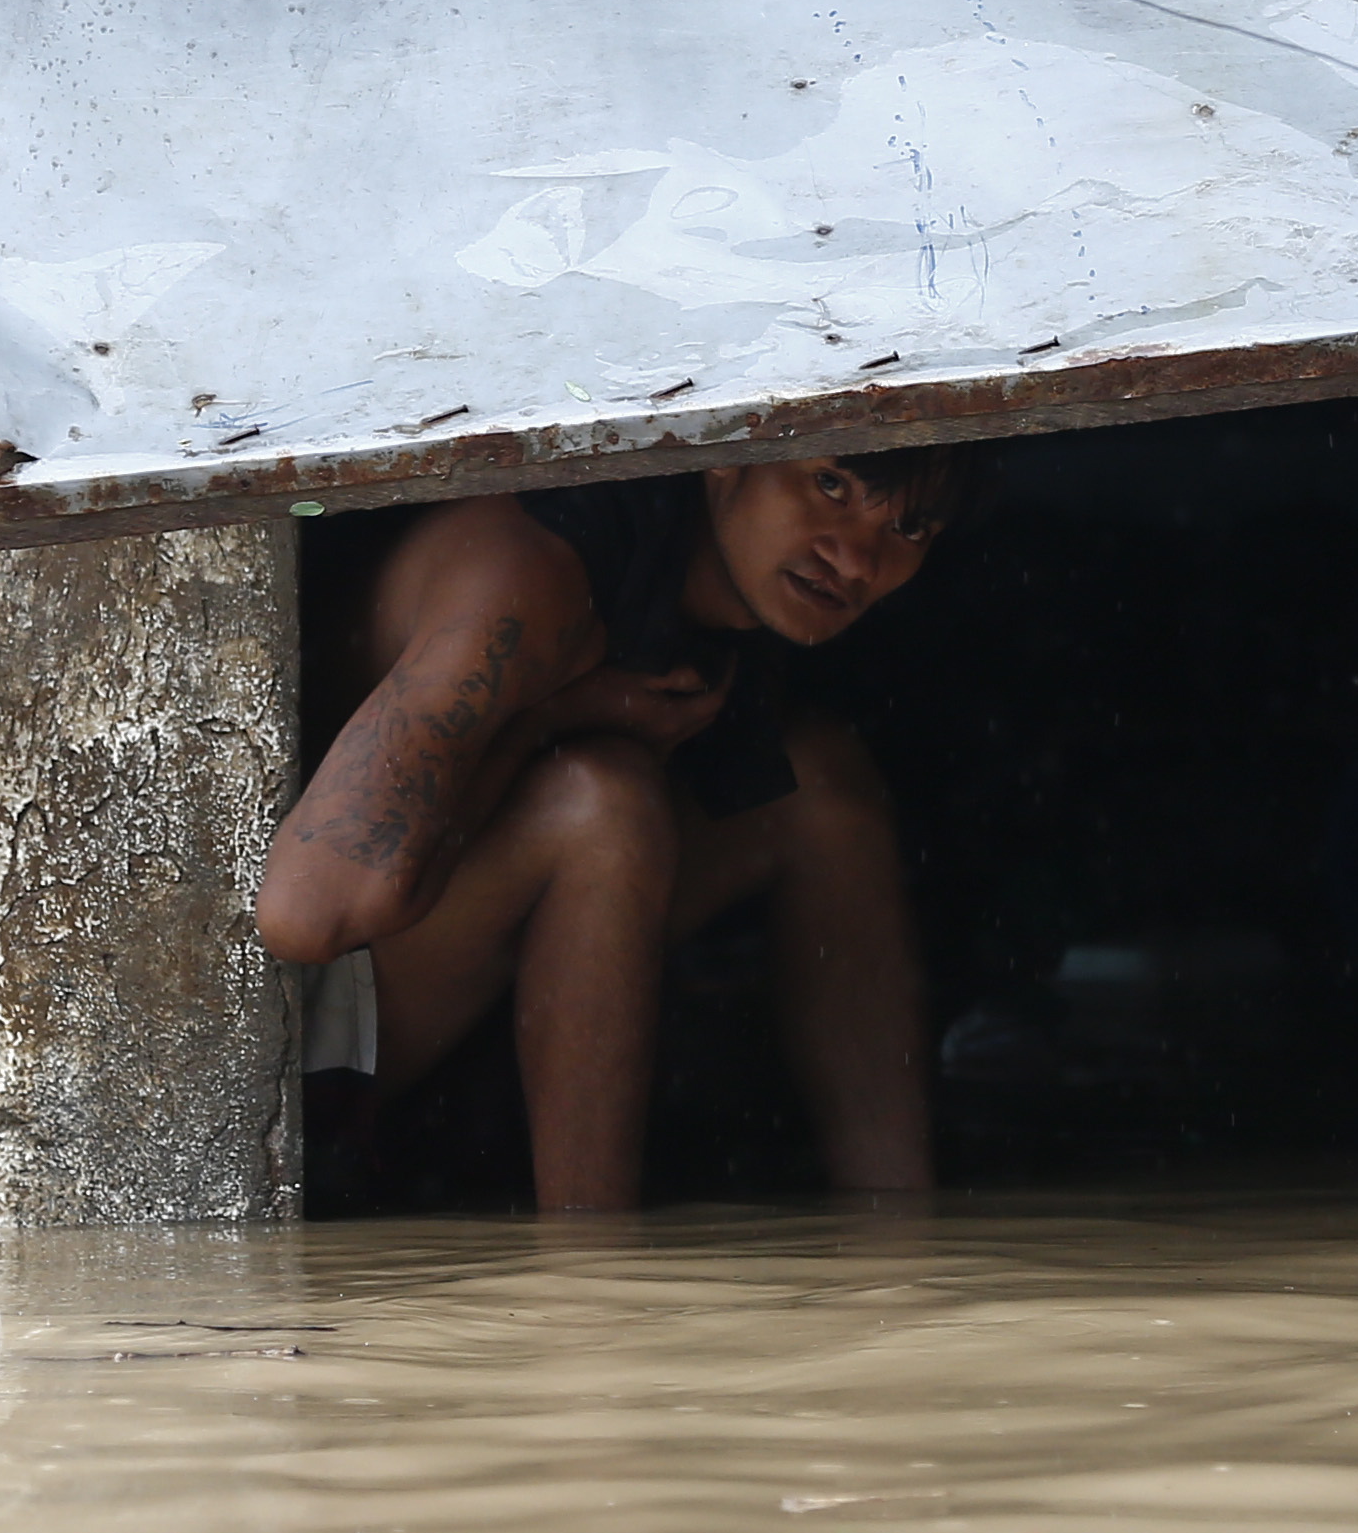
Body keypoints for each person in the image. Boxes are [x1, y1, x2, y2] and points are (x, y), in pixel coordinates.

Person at [257, 454, 974, 1211]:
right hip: (300, 1045)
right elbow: (306, 915)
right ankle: (592, 1266)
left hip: (449, 994)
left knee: (819, 783)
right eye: (829, 487)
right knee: (601, 801)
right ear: (728, 458)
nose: (855, 557)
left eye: (907, 526)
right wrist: (548, 718)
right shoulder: (526, 573)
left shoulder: (703, 585)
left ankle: (895, 1225)